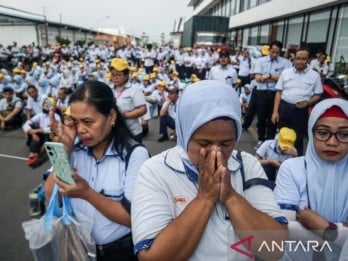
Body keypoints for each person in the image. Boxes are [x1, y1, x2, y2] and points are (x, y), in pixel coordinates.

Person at [131, 80, 288, 261]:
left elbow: (275, 248)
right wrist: (204, 199)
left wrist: (231, 197)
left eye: (227, 143)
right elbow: (152, 257)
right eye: (204, 144)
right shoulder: (155, 171)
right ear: (184, 134)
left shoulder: (247, 165)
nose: (216, 152)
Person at [46, 80, 150, 260]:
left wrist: (87, 194)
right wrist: (64, 150)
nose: (81, 130)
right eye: (75, 122)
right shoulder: (74, 149)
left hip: (118, 252)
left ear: (111, 116)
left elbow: (133, 218)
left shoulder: (135, 155)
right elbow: (50, 196)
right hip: (78, 247)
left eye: (88, 122)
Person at [274, 98, 348, 261]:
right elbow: (283, 229)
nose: (332, 142)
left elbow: (294, 229)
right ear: (310, 132)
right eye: (322, 132)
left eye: (344, 134)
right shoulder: (293, 168)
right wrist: (342, 234)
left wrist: (326, 229)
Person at [272, 48, 323, 155]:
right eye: (298, 58)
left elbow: (318, 94)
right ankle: (280, 160)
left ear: (308, 60)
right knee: (282, 134)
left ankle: (297, 161)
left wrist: (308, 103)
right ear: (293, 59)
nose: (300, 61)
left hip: (301, 110)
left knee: (298, 138)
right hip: (285, 108)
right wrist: (275, 112)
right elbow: (278, 93)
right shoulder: (286, 73)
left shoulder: (314, 75)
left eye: (304, 59)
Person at [253, 40, 292, 149]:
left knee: (273, 119)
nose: (274, 54)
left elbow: (285, 79)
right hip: (261, 93)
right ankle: (261, 139)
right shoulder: (261, 61)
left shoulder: (285, 63)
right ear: (269, 50)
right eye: (273, 51)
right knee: (261, 118)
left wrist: (269, 76)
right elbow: (258, 78)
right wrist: (275, 78)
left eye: (277, 52)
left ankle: (269, 142)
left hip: (276, 94)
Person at [109, 58, 147, 143]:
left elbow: (142, 110)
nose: (115, 78)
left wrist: (123, 115)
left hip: (132, 132)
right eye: (113, 75)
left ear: (126, 75)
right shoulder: (109, 89)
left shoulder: (134, 90)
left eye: (119, 75)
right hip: (115, 133)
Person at [22, 97, 60, 166]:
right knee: (32, 131)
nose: (45, 106)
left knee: (47, 133)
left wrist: (35, 131)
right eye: (44, 105)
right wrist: (33, 132)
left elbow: (51, 129)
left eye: (48, 105)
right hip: (40, 134)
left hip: (49, 136)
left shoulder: (56, 116)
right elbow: (26, 125)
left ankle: (38, 154)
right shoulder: (40, 115)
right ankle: (34, 153)